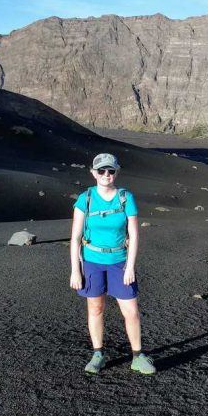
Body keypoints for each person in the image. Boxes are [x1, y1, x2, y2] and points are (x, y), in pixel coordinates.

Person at [69, 152, 156, 375]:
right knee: (95, 308)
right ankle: (98, 353)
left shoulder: (126, 198)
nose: (106, 175)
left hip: (119, 261)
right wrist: (75, 271)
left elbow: (134, 236)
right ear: (93, 173)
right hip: (92, 261)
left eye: (110, 170)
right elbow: (76, 237)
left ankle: (138, 356)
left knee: (131, 311)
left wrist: (130, 267)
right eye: (101, 171)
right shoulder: (85, 199)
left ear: (116, 172)